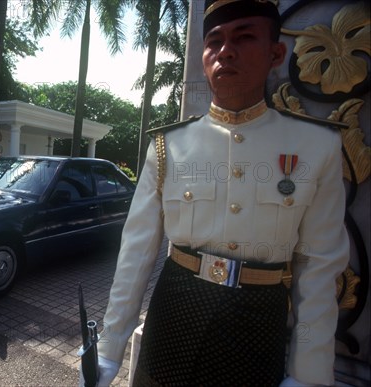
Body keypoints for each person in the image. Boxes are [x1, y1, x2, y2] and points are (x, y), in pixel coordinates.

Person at [88, 1, 350, 386]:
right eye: (214, 42)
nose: (226, 51)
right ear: (203, 58)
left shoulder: (316, 146)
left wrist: (307, 375)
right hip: (174, 314)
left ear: (275, 53)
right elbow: (136, 254)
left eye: (244, 37)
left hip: (258, 325)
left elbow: (319, 268)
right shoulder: (169, 147)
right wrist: (108, 350)